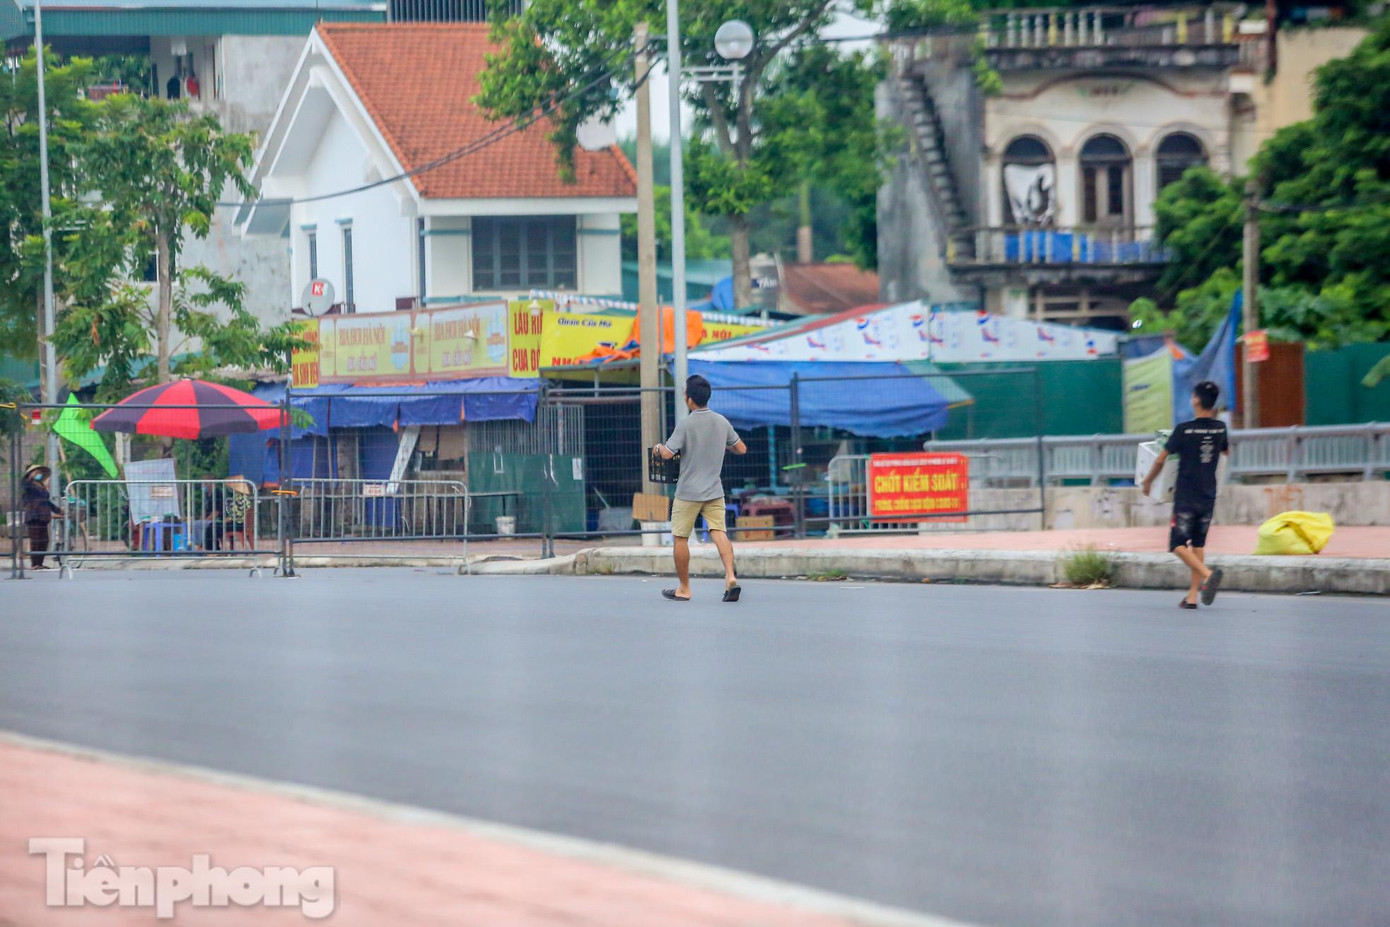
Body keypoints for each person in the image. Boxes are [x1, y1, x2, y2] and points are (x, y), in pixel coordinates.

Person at [654, 375, 748, 602]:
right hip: (714, 490)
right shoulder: (721, 422)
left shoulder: (686, 424)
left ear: (689, 399)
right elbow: (741, 449)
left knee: (680, 538)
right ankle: (730, 576)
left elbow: (667, 453)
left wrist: (657, 448)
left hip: (688, 492)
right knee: (719, 532)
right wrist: (724, 446)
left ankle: (684, 588)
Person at [1142, 380, 1229, 609]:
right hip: (1208, 495)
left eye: (1192, 396)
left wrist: (1147, 481)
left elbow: (1160, 459)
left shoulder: (1183, 430)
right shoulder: (1220, 428)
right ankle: (1192, 597)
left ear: (1196, 400)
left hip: (1187, 496)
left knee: (1177, 544)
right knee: (1197, 544)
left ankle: (1207, 575)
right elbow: (1225, 453)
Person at [21, 465, 63, 570]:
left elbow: (47, 502)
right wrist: (30, 477)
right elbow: (23, 485)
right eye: (36, 472)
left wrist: (58, 510)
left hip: (43, 516)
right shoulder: (29, 485)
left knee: (44, 540)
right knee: (35, 540)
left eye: (39, 472)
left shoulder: (41, 485)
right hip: (33, 516)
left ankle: (40, 562)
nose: (38, 474)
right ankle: (34, 563)